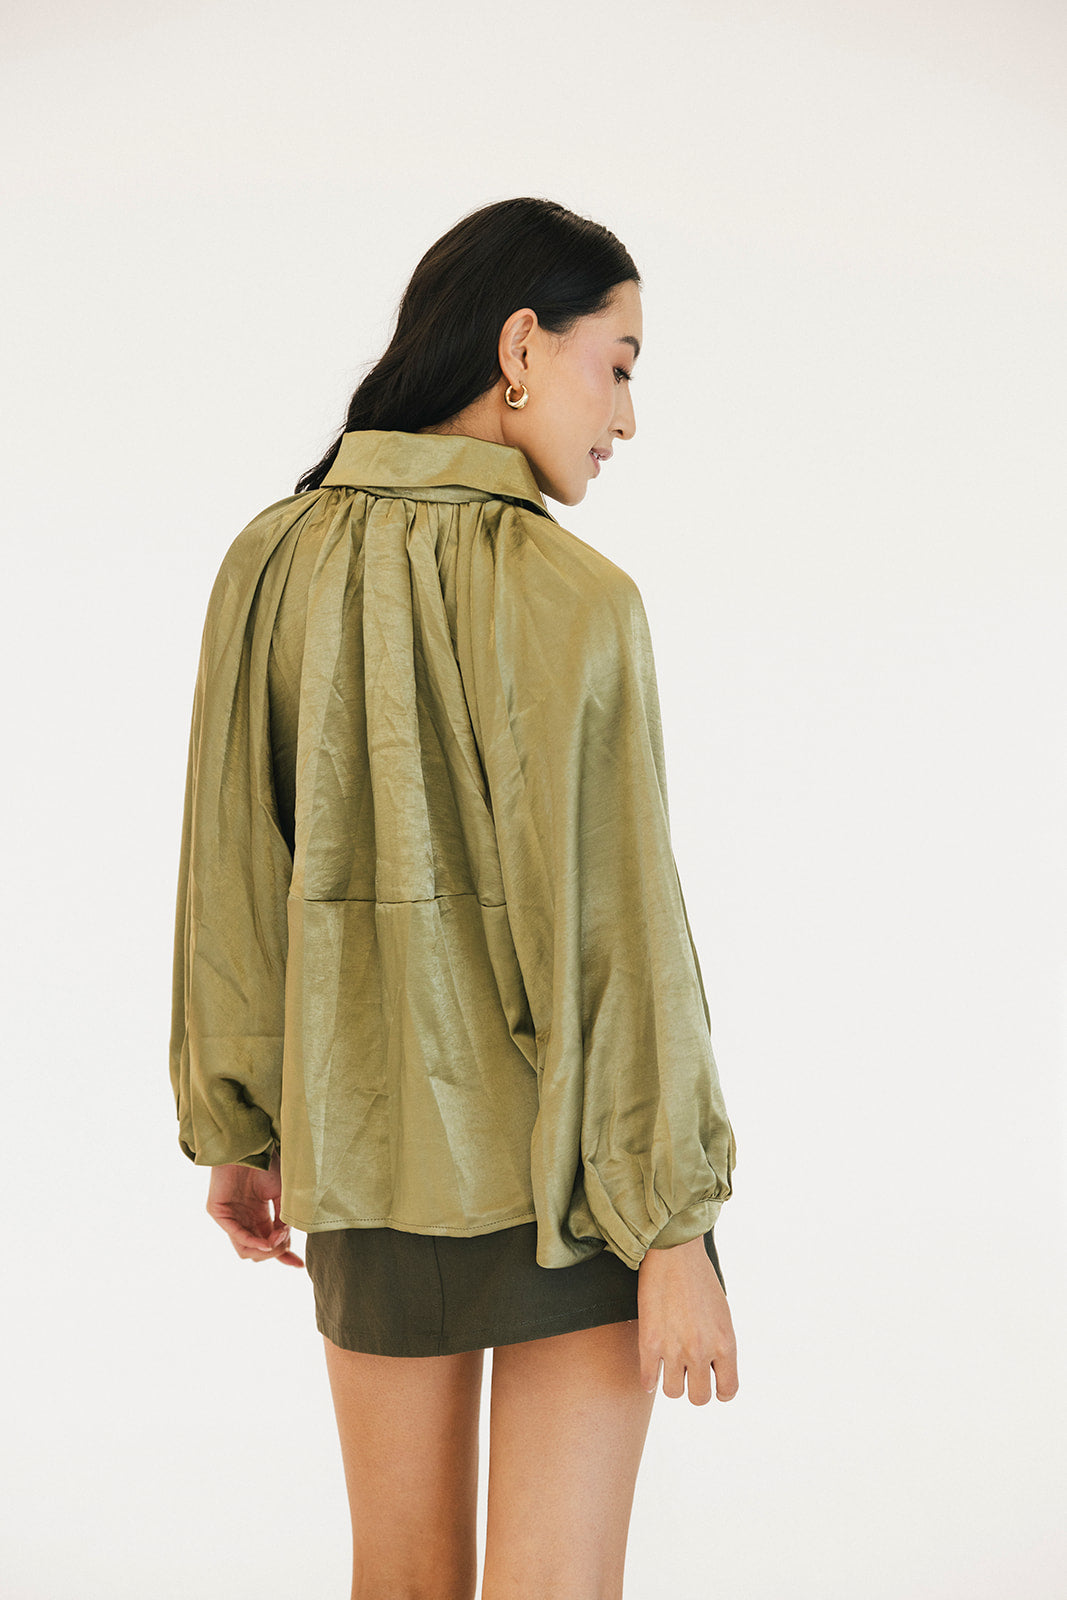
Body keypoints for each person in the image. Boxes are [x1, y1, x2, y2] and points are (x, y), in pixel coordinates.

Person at [169, 196, 738, 1600]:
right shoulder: (577, 599)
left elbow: (231, 875)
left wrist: (241, 1124)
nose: (626, 418)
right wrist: (675, 1227)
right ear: (521, 345)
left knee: (400, 1581)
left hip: (363, 1171)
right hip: (575, 1189)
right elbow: (620, 938)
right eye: (620, 366)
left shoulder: (269, 563)